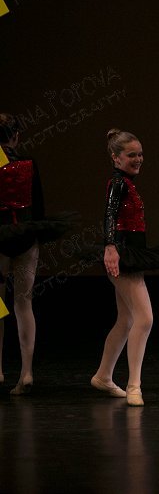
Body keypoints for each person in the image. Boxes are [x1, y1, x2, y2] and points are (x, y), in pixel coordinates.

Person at [91, 128, 159, 406]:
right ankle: (134, 385)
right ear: (115, 157)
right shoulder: (118, 183)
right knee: (145, 318)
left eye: (140, 154)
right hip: (122, 255)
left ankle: (103, 376)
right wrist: (110, 247)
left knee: (126, 320)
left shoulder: (127, 183)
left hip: (131, 254)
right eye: (132, 155)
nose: (138, 159)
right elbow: (109, 214)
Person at [0, 113, 74, 395]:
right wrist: (37, 235)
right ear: (16, 136)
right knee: (24, 303)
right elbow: (38, 205)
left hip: (1, 237)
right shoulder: (28, 164)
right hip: (27, 236)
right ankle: (27, 372)